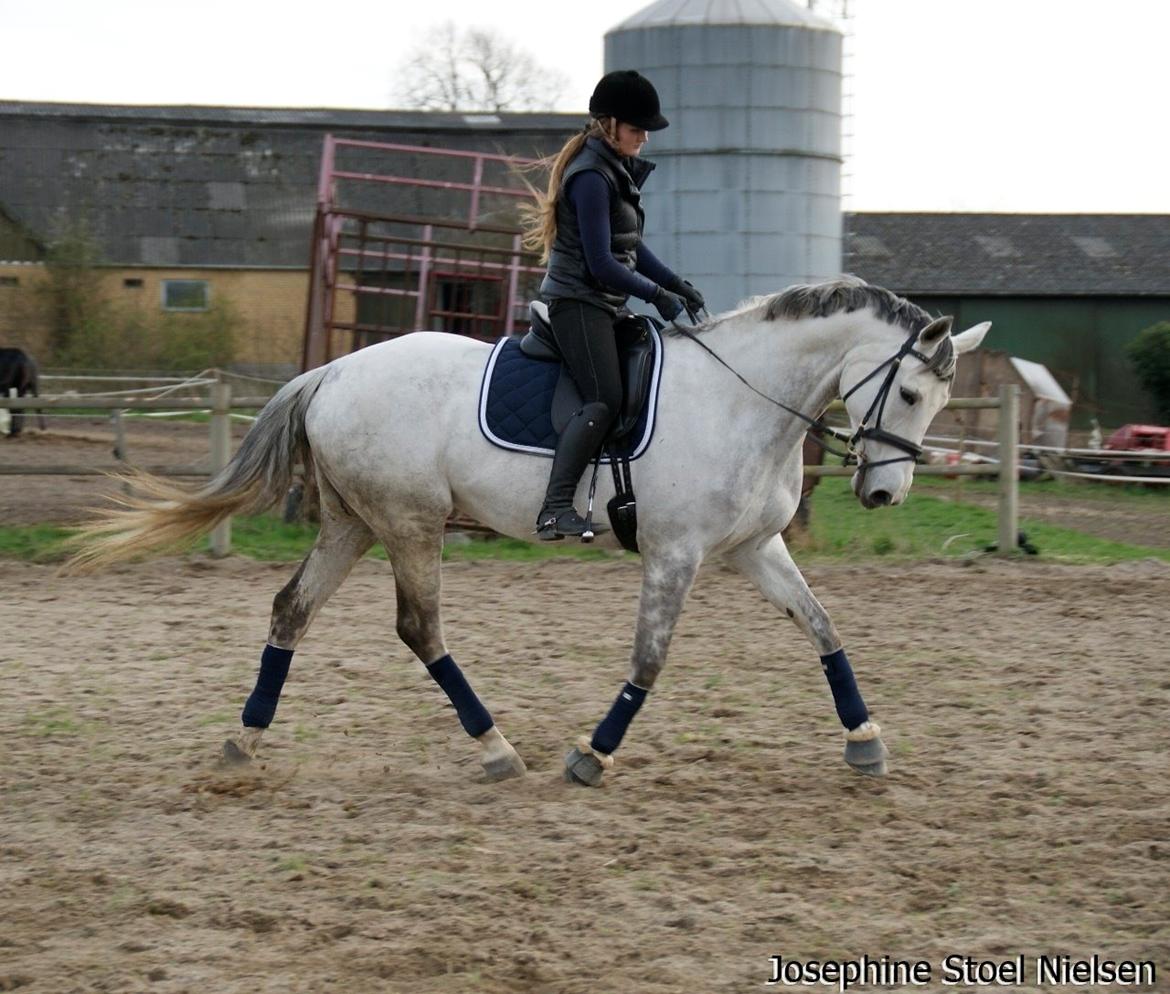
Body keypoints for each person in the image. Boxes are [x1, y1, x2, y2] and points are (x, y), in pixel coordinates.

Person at [521, 69, 706, 540]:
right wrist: (654, 295)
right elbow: (602, 263)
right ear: (608, 125)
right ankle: (554, 506)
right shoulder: (590, 176)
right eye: (636, 129)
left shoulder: (613, 170)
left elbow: (632, 247)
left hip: (601, 302)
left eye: (645, 130)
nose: (644, 138)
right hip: (576, 301)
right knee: (604, 397)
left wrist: (675, 284)